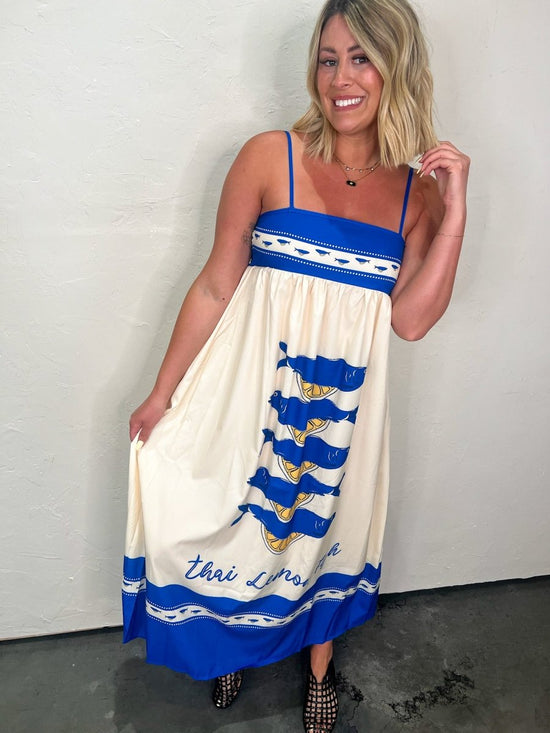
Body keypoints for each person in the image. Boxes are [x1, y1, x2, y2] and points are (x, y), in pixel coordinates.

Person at [123, 0, 470, 730]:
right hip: (247, 390)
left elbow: (411, 321)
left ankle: (319, 670)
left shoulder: (419, 195)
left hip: (342, 410)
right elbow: (216, 283)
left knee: (321, 531)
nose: (340, 78)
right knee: (230, 513)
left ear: (397, 67)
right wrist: (162, 392)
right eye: (328, 59)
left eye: (361, 58)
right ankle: (228, 646)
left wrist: (456, 210)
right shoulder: (268, 156)